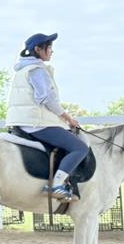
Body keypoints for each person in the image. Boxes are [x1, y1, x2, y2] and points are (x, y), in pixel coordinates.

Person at [5, 32, 88, 200]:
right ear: (38, 49)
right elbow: (47, 99)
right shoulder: (37, 70)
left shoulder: (23, 70)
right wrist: (68, 119)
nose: (51, 51)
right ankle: (56, 185)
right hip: (37, 122)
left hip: (22, 121)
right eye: (49, 48)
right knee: (80, 148)